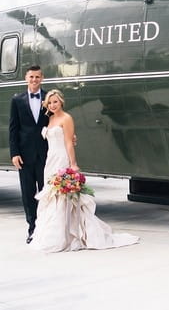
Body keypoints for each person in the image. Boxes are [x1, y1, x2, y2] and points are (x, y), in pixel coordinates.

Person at [30, 89, 139, 252]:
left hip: (61, 158)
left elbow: (68, 142)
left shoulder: (67, 118)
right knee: (51, 195)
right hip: (50, 160)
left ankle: (68, 234)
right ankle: (50, 233)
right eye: (50, 102)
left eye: (56, 102)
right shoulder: (50, 119)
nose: (53, 105)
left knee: (64, 196)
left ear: (61, 102)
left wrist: (73, 164)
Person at [9, 65, 49, 244]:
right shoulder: (17, 100)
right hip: (24, 155)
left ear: (42, 78)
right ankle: (32, 228)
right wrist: (14, 153)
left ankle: (46, 227)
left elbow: (57, 120)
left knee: (46, 192)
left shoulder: (49, 97)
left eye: (37, 77)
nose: (34, 80)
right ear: (26, 78)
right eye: (31, 77)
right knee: (28, 193)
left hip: (45, 154)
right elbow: (13, 129)